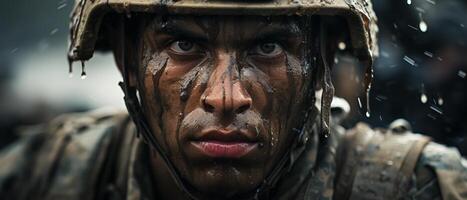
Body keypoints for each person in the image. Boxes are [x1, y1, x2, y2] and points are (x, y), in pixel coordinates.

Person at [0, 0, 466, 199]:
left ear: (321, 59)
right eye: (183, 46)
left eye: (268, 48)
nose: (227, 96)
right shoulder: (48, 174)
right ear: (127, 58)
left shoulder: (420, 188)